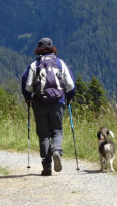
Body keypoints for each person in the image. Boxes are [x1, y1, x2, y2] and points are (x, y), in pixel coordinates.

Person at [21, 37, 76, 176]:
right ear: (52, 48)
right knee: (57, 130)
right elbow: (70, 85)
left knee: (43, 135)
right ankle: (56, 150)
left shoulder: (34, 64)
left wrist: (28, 99)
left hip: (39, 103)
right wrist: (68, 99)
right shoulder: (60, 63)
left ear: (38, 49)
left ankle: (46, 167)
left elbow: (27, 85)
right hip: (57, 102)